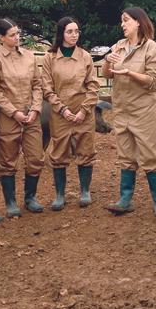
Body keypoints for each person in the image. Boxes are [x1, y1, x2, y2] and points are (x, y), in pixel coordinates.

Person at [102, 7, 156, 217]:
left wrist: (129, 72)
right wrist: (107, 62)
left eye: (126, 20)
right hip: (122, 109)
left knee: (150, 155)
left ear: (138, 22)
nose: (123, 24)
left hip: (144, 110)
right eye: (122, 21)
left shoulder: (151, 48)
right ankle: (125, 199)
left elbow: (153, 82)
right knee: (125, 155)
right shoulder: (118, 47)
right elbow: (107, 75)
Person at [41, 17, 100, 209]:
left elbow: (93, 85)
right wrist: (62, 109)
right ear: (61, 34)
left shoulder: (85, 56)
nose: (74, 35)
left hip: (83, 111)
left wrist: (84, 110)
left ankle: (85, 191)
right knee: (58, 152)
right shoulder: (50, 58)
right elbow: (47, 88)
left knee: (85, 148)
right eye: (69, 32)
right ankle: (60, 195)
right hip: (60, 113)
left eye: (76, 31)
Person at [0, 18, 46, 213]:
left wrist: (35, 109)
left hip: (31, 115)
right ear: (1, 37)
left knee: (36, 157)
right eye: (12, 35)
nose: (17, 38)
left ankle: (30, 197)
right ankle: (11, 202)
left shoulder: (29, 56)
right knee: (8, 160)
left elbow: (38, 85)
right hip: (8, 117)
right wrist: (14, 113)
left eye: (18, 34)